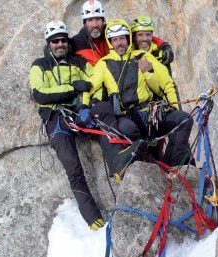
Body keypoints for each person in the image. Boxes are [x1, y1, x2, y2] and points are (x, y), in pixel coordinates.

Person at [77, 19, 193, 183]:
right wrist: (83, 108)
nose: (119, 43)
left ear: (128, 39)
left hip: (148, 114)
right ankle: (134, 163)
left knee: (184, 120)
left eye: (122, 38)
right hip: (126, 117)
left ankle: (171, 167)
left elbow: (167, 83)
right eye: (115, 39)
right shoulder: (103, 64)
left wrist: (174, 107)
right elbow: (89, 86)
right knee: (128, 130)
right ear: (110, 41)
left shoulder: (142, 56)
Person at [29, 20, 104, 230]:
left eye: (63, 40)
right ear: (49, 43)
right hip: (56, 118)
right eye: (55, 41)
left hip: (80, 111)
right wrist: (73, 88)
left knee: (109, 133)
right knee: (73, 166)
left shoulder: (79, 62)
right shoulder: (39, 65)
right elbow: (40, 94)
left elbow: (95, 83)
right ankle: (92, 218)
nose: (60, 44)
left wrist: (90, 103)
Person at [70, 0, 108, 66]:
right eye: (90, 20)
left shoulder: (113, 37)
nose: (94, 25)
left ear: (103, 21)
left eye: (97, 19)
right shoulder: (76, 43)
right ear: (85, 23)